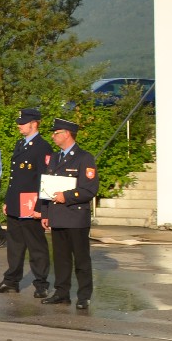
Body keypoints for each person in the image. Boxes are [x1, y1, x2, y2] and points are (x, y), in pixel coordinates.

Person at [0, 107, 52, 297]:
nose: (19, 126)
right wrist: (9, 200)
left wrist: (41, 208)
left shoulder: (42, 147)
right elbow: (15, 178)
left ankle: (41, 284)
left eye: (23, 123)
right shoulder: (20, 144)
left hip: (31, 205)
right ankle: (11, 281)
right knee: (14, 246)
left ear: (34, 124)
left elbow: (44, 179)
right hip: (17, 203)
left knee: (36, 246)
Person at [40, 117, 99, 309]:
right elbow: (47, 186)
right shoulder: (54, 158)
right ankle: (61, 293)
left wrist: (66, 196)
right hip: (57, 215)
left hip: (75, 216)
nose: (53, 136)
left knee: (81, 259)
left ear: (67, 134)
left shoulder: (84, 158)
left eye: (56, 133)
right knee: (61, 259)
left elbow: (89, 189)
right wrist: (45, 213)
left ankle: (84, 296)